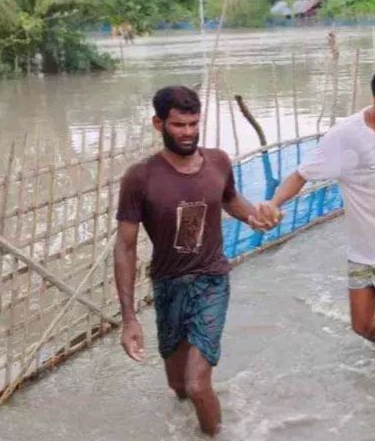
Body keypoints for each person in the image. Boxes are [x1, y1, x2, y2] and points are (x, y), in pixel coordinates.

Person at [255, 63, 375, 384]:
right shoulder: (344, 136)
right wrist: (273, 204)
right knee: (361, 326)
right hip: (365, 248)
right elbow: (301, 175)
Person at [112, 85, 271, 436]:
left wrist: (253, 217)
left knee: (197, 385)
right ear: (159, 124)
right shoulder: (140, 178)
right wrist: (128, 318)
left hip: (212, 280)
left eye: (193, 124)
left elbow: (229, 198)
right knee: (179, 386)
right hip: (168, 285)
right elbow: (125, 246)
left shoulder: (217, 161)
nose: (187, 133)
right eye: (178, 125)